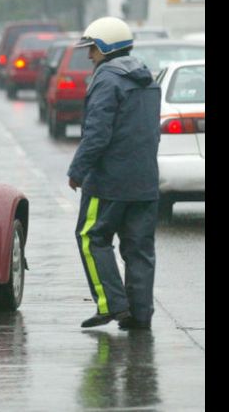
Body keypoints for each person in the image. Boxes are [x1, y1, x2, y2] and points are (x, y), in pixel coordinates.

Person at [67, 17, 161, 331]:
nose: (89, 54)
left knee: (90, 237)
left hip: (108, 182)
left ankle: (112, 305)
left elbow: (97, 134)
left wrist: (77, 171)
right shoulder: (148, 77)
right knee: (139, 249)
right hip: (145, 181)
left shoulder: (107, 79)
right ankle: (139, 315)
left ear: (107, 47)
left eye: (92, 48)